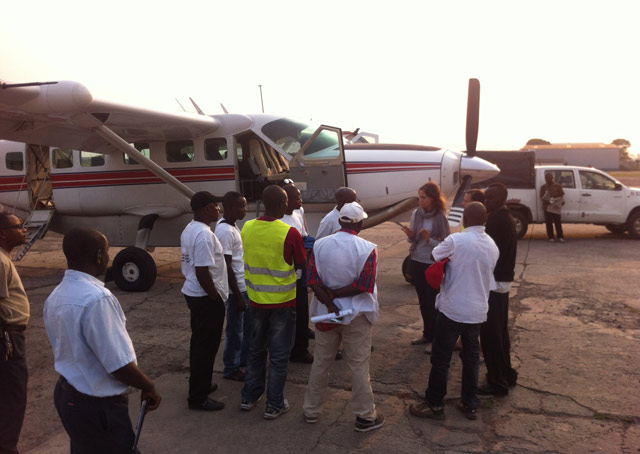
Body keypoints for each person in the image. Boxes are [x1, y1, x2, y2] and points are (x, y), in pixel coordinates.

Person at [43, 227, 161, 453]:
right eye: (107, 252)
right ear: (98, 255)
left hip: (68, 397)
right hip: (97, 407)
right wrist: (148, 386)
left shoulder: (56, 295)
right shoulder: (97, 299)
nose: (109, 257)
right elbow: (118, 364)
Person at [409, 202, 498, 421]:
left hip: (453, 309)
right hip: (477, 310)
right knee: (471, 358)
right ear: (485, 220)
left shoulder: (456, 240)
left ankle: (435, 403)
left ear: (465, 220)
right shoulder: (492, 245)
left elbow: (434, 256)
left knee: (441, 357)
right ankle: (469, 403)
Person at [303, 202, 385, 432]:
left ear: (340, 221)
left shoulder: (319, 245)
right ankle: (365, 416)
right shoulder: (368, 248)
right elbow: (364, 285)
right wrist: (338, 298)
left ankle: (311, 410)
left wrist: (330, 302)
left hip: (326, 315)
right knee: (359, 366)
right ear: (359, 223)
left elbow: (312, 280)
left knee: (321, 362)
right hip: (355, 315)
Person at [240, 185, 306, 419]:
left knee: (255, 351)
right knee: (278, 356)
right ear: (281, 204)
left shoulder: (247, 227)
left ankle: (249, 396)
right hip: (283, 303)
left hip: (256, 301)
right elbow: (300, 263)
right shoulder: (289, 233)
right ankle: (274, 403)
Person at [181, 191, 229, 411]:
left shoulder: (191, 229)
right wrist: (215, 297)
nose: (218, 209)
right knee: (206, 347)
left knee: (200, 344)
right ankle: (198, 398)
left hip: (195, 294)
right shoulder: (204, 235)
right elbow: (202, 271)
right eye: (214, 206)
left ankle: (201, 384)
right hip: (204, 297)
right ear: (204, 209)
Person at [400, 182, 450, 352]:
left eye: (424, 198)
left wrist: (430, 240)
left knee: (433, 302)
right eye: (419, 197)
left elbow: (446, 243)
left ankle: (436, 338)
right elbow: (412, 239)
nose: (420, 201)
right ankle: (427, 334)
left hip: (431, 263)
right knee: (423, 301)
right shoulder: (416, 213)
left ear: (433, 198)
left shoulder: (440, 217)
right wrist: (411, 236)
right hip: (416, 260)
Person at [479, 183, 518, 396]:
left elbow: (488, 255)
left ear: (502, 198)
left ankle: (497, 382)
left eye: (490, 198)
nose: (487, 201)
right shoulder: (505, 216)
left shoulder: (496, 221)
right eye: (485, 197)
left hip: (495, 282)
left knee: (491, 335)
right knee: (500, 332)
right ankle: (506, 373)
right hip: (503, 281)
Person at [0, 212, 29, 454]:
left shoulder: (4, 259)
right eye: (18, 226)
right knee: (13, 396)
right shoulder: (0, 261)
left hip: (9, 335)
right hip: (8, 337)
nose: (24, 230)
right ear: (2, 233)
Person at [216, 191, 251, 382]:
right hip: (235, 289)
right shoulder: (224, 231)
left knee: (244, 329)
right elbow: (226, 265)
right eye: (241, 206)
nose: (245, 210)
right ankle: (231, 367)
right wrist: (237, 295)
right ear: (229, 208)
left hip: (241, 286)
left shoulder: (232, 227)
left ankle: (241, 361)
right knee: (235, 331)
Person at [281, 184, 313, 363]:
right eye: (297, 197)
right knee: (292, 313)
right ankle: (298, 350)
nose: (300, 201)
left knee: (302, 310)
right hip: (289, 273)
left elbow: (304, 235)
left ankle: (301, 341)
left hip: (300, 268)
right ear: (285, 200)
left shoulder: (299, 211)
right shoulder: (281, 222)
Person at [540, 172, 565, 242]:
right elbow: (541, 196)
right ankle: (551, 237)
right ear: (545, 179)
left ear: (552, 178)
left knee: (558, 222)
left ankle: (560, 236)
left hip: (555, 207)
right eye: (547, 178)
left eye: (549, 178)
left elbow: (561, 195)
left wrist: (560, 201)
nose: (548, 179)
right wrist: (547, 200)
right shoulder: (543, 187)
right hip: (547, 207)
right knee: (549, 223)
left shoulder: (557, 186)